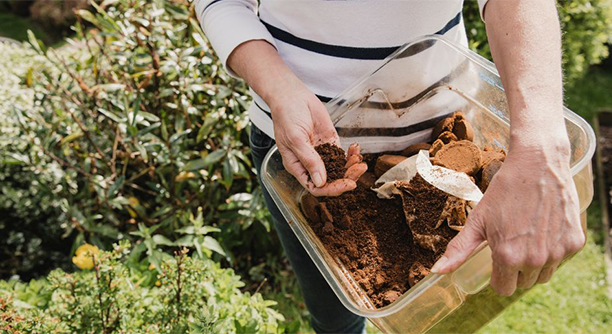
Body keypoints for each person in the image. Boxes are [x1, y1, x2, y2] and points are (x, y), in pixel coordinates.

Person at [195, 0, 586, 332]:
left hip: (445, 145)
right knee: (337, 319)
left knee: (444, 312)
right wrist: (280, 89)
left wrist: (540, 147)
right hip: (307, 155)